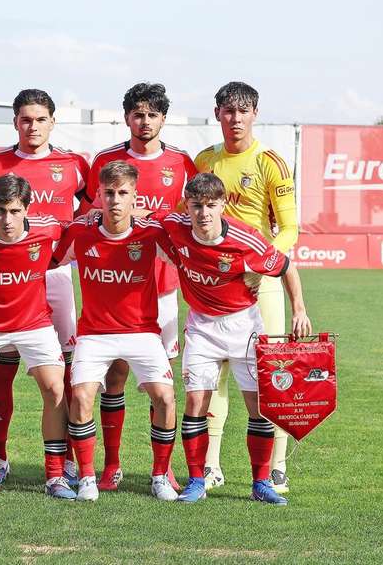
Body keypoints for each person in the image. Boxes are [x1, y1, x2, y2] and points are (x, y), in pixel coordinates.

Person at [158, 173, 311, 505]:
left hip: (244, 326)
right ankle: (197, 480)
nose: (203, 214)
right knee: (196, 404)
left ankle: (261, 483)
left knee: (258, 407)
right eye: (196, 206)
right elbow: (149, 222)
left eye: (211, 205)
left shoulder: (247, 240)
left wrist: (299, 309)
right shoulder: (175, 225)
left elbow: (286, 266)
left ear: (223, 205)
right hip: (202, 328)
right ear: (188, 205)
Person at [0, 88, 88, 486]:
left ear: (53, 121)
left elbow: (88, 213)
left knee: (61, 371)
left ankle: (64, 460)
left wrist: (61, 255)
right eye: (25, 119)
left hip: (51, 273)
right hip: (2, 268)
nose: (32, 126)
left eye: (40, 119)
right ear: (15, 122)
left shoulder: (73, 163)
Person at [79, 82, 195, 492]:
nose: (144, 122)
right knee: (113, 376)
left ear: (163, 118)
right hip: (115, 286)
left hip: (162, 288)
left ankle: (161, 470)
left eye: (152, 115)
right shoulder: (106, 161)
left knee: (158, 383)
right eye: (137, 114)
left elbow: (191, 216)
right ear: (126, 117)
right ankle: (110, 465)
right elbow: (91, 212)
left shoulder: (182, 163)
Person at [194, 82, 299, 494]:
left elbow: (290, 228)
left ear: (255, 113)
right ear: (217, 113)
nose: (235, 119)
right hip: (215, 283)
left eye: (243, 111)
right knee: (213, 373)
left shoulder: (270, 162)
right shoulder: (205, 161)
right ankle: (212, 466)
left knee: (272, 374)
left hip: (261, 283)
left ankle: (276, 466)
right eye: (228, 111)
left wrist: (261, 264)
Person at [54, 161, 178, 502]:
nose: (115, 200)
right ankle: (89, 478)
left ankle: (159, 476)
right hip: (94, 334)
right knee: (80, 397)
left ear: (135, 196)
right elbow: (47, 261)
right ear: (98, 196)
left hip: (143, 332)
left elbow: (187, 260)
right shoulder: (81, 233)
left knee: (166, 398)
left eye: (123, 193)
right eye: (108, 193)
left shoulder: (151, 233)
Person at [0, 175, 75, 500]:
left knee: (55, 388)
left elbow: (83, 227)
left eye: (15, 211)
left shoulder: (47, 228)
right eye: (0, 211)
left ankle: (55, 475)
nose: (7, 219)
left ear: (27, 209)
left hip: (34, 323)